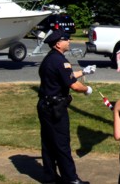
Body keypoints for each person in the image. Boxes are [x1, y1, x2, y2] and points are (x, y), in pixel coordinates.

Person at [37, 30, 93, 184]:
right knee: (61, 143)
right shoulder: (60, 61)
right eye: (66, 39)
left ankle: (49, 177)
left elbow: (64, 75)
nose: (69, 41)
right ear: (57, 43)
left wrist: (83, 71)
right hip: (55, 108)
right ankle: (71, 179)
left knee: (48, 142)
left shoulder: (50, 59)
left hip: (45, 105)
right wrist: (87, 89)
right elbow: (74, 85)